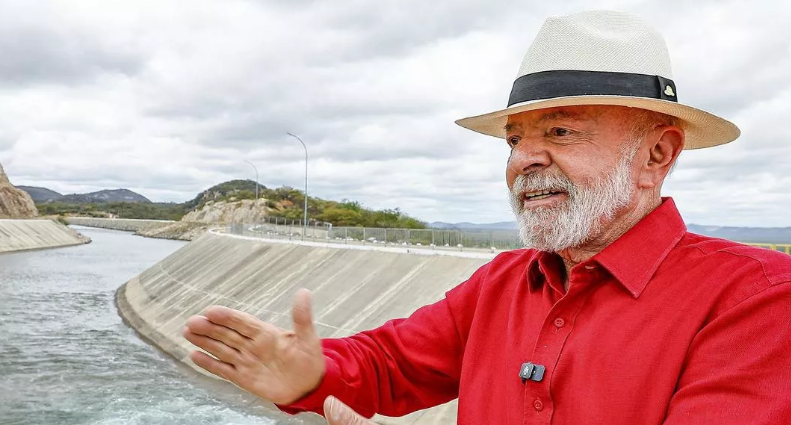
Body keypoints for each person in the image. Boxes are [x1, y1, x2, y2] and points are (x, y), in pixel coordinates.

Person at [183, 10, 791, 425]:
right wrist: (311, 374)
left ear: (656, 154)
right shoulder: (502, 282)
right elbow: (389, 365)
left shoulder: (756, 299)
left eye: (559, 131)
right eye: (513, 140)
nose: (525, 160)